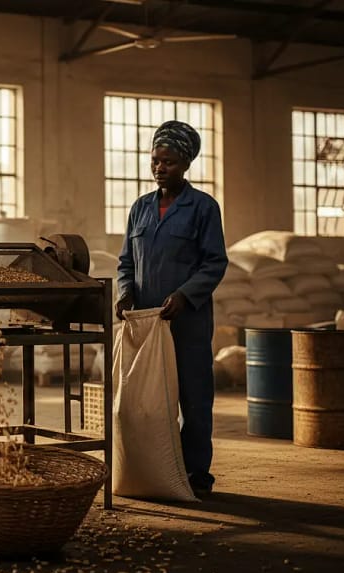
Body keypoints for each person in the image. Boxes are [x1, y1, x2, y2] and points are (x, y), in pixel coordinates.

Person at [116, 120, 228, 500]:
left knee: (194, 399)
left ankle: (196, 473)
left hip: (188, 322)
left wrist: (184, 295)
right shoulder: (140, 209)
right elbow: (126, 261)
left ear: (186, 163)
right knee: (147, 400)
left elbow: (214, 263)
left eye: (169, 162)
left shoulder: (203, 208)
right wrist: (126, 292)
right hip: (148, 324)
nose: (160, 168)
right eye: (155, 160)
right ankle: (156, 467)